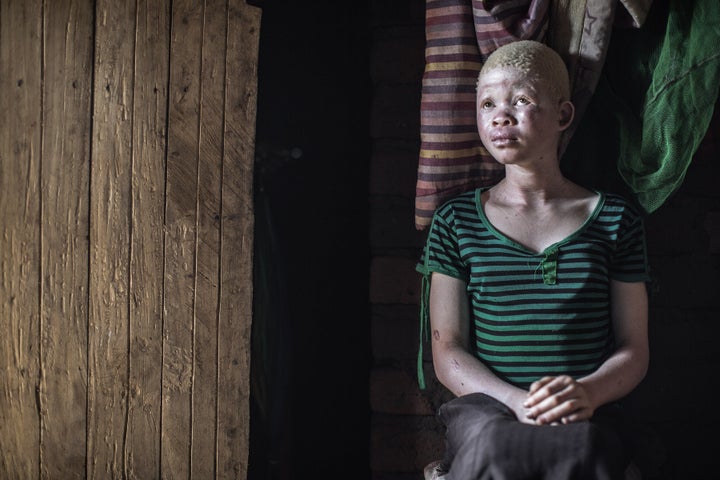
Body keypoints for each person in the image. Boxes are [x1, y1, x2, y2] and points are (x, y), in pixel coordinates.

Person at [417, 40, 650, 480]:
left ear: (562, 116)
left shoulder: (615, 220)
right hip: (486, 408)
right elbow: (447, 351)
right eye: (487, 104)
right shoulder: (456, 222)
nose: (500, 115)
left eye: (521, 100)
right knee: (496, 445)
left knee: (580, 449)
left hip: (584, 406)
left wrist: (585, 393)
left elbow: (634, 349)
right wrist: (516, 402)